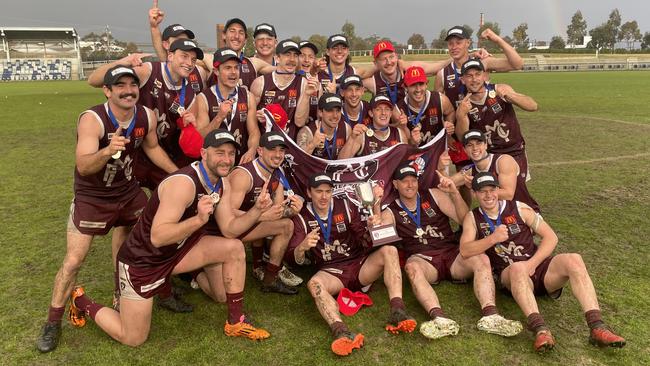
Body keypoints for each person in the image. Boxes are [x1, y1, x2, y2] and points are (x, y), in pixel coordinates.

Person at [64, 130, 273, 347]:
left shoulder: (222, 182)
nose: (227, 159)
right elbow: (157, 237)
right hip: (144, 260)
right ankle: (81, 301)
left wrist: (257, 211)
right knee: (133, 338)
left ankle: (235, 322)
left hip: (179, 251)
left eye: (231, 153)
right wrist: (198, 221)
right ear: (203, 153)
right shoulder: (183, 184)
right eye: (219, 153)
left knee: (234, 248)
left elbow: (230, 228)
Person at [36, 66, 178, 353]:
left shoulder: (145, 115)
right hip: (93, 197)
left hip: (127, 194)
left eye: (132, 84)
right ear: (107, 90)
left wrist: (178, 174)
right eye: (120, 85)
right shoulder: (93, 119)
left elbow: (151, 148)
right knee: (74, 260)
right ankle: (53, 321)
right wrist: (107, 149)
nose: (128, 90)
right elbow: (84, 166)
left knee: (141, 244)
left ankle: (124, 293)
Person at [460, 172, 626, 352]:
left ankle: (597, 327)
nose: (488, 195)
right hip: (511, 275)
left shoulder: (519, 208)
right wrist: (492, 239)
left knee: (574, 259)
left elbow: (551, 237)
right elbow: (465, 250)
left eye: (492, 190)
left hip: (538, 268)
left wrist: (531, 264)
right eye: (482, 191)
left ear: (498, 190)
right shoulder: (473, 217)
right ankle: (540, 329)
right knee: (517, 268)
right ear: (475, 194)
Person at [381, 163, 521, 340]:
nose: (410, 185)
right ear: (395, 184)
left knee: (481, 259)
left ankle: (491, 314)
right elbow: (381, 238)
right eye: (404, 182)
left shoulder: (434, 194)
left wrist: (454, 193)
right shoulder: (390, 210)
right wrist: (375, 215)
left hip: (451, 254)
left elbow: (464, 219)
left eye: (413, 180)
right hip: (424, 260)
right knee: (412, 268)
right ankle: (438, 318)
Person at [288, 174, 416, 356]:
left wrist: (370, 229)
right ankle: (340, 330)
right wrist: (302, 247)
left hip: (359, 265)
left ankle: (398, 310)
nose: (324, 196)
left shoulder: (345, 206)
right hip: (332, 272)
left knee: (390, 251)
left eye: (328, 191)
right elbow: (293, 259)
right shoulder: (302, 217)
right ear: (309, 193)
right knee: (314, 284)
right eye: (318, 192)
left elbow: (363, 242)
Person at [88, 39, 207, 190]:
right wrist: (124, 61)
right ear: (170, 56)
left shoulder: (190, 95)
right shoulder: (148, 71)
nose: (189, 63)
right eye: (184, 56)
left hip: (160, 153)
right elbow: (93, 80)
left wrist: (188, 127)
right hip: (133, 150)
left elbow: (188, 141)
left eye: (193, 59)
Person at [223, 131, 304, 294]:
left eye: (281, 150)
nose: (278, 155)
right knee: (219, 293)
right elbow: (227, 214)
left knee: (287, 225)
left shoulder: (276, 173)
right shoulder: (244, 175)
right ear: (260, 151)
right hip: (227, 229)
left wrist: (294, 210)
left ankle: (270, 278)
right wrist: (261, 216)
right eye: (273, 150)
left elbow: (278, 210)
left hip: (247, 224)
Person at [455, 59, 537, 182]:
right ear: (463, 79)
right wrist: (461, 116)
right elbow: (462, 137)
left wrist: (510, 96)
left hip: (514, 151)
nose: (474, 79)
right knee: (493, 195)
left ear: (484, 76)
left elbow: (533, 106)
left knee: (516, 194)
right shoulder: (463, 103)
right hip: (489, 156)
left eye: (477, 74)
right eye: (469, 76)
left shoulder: (499, 89)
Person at [191, 47, 260, 164]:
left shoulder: (248, 96)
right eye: (228, 68)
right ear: (216, 71)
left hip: (240, 161)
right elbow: (200, 137)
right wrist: (219, 117)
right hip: (214, 164)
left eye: (236, 68)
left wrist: (252, 150)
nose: (233, 72)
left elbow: (254, 131)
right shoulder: (203, 98)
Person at [434, 25, 524, 108]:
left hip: (484, 122)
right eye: (450, 44)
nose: (454, 47)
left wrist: (497, 40)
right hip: (460, 124)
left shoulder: (483, 62)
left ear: (468, 43)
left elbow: (517, 65)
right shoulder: (442, 74)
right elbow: (438, 105)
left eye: (458, 42)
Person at [452, 130, 540, 212]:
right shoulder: (469, 170)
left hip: (524, 213)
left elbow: (508, 195)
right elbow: (447, 183)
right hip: (498, 218)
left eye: (479, 143)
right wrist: (441, 167)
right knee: (471, 220)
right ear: (464, 150)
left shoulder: (503, 161)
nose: (475, 148)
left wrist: (476, 186)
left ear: (486, 145)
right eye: (469, 145)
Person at [250, 39, 319, 139]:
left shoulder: (303, 83)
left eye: (295, 55)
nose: (292, 59)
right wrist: (258, 117)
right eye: (287, 54)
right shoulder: (260, 82)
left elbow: (299, 122)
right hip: (266, 146)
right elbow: (250, 122)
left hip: (290, 147)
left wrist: (307, 94)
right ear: (277, 58)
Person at [396, 66, 456, 146]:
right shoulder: (399, 110)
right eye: (413, 85)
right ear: (405, 87)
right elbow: (402, 146)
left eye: (421, 84)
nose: (418, 89)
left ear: (426, 84)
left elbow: (450, 112)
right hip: (416, 153)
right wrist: (411, 142)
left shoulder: (440, 99)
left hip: (438, 148)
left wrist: (449, 123)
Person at [338, 95, 409, 158]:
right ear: (371, 113)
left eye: (387, 109)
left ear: (391, 113)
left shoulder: (399, 134)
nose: (383, 113)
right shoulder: (362, 134)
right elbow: (341, 161)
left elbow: (406, 161)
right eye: (378, 109)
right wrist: (352, 138)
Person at [296, 93, 351, 159]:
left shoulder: (346, 129)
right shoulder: (307, 132)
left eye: (338, 111)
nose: (335, 116)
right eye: (330, 110)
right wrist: (313, 144)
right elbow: (298, 161)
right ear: (320, 112)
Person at [298, 40, 321, 124]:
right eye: (302, 55)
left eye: (310, 57)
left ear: (314, 60)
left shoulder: (318, 79)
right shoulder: (287, 78)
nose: (306, 60)